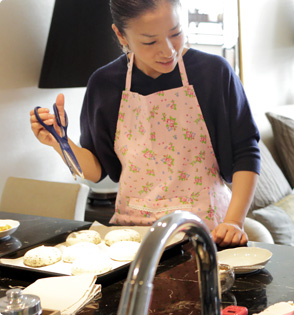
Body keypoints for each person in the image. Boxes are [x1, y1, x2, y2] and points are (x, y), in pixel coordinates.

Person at [29, 0, 260, 247]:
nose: (168, 50)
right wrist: (60, 143)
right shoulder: (105, 84)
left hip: (207, 232)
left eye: (176, 33)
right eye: (150, 41)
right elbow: (96, 170)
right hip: (133, 237)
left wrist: (234, 222)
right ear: (121, 35)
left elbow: (246, 152)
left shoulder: (214, 73)